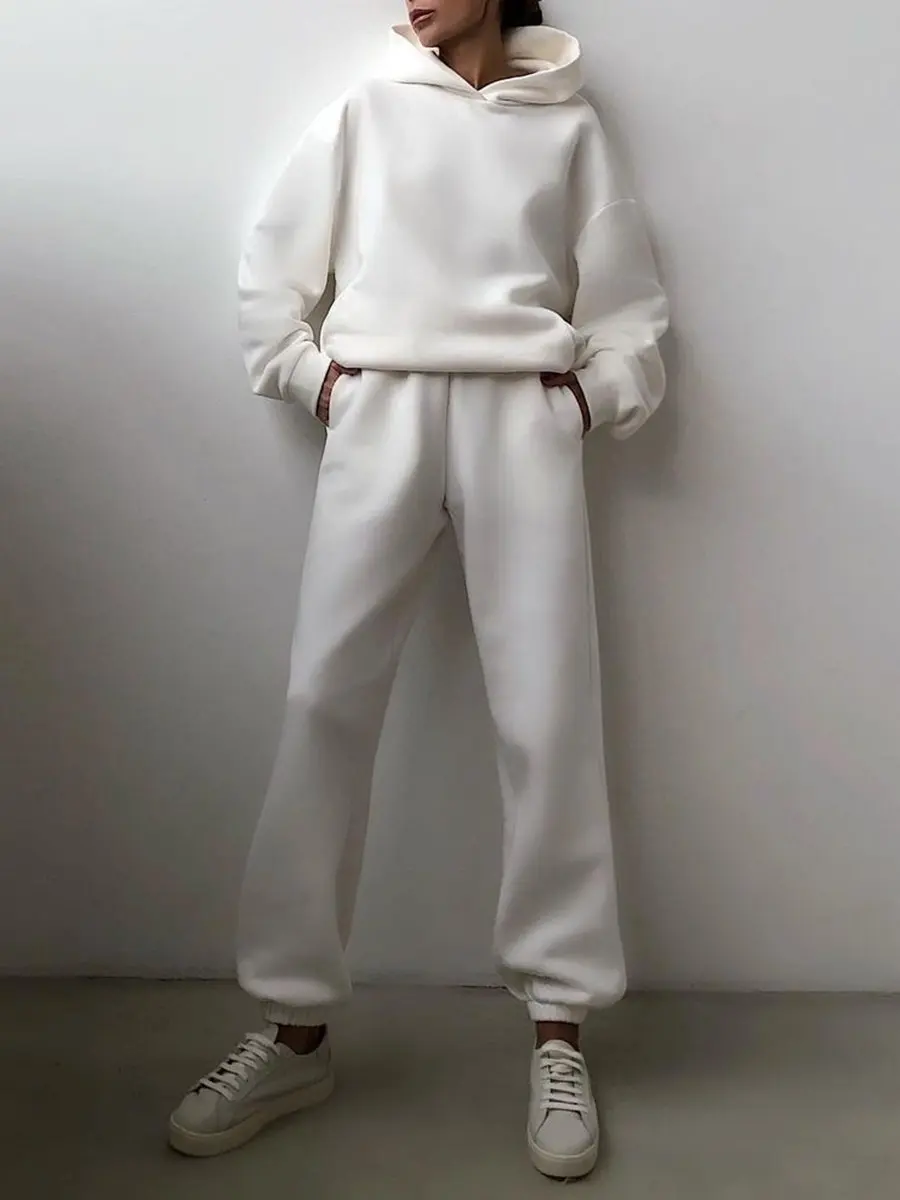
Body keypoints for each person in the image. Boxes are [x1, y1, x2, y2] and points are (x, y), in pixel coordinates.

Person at [168, 0, 667, 1180]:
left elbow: (629, 309)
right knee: (323, 702)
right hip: (382, 408)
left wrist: (588, 400)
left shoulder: (570, 127)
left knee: (547, 714)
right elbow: (270, 276)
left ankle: (559, 1032)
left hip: (521, 423)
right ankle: (293, 1030)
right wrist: (319, 384)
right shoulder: (365, 112)